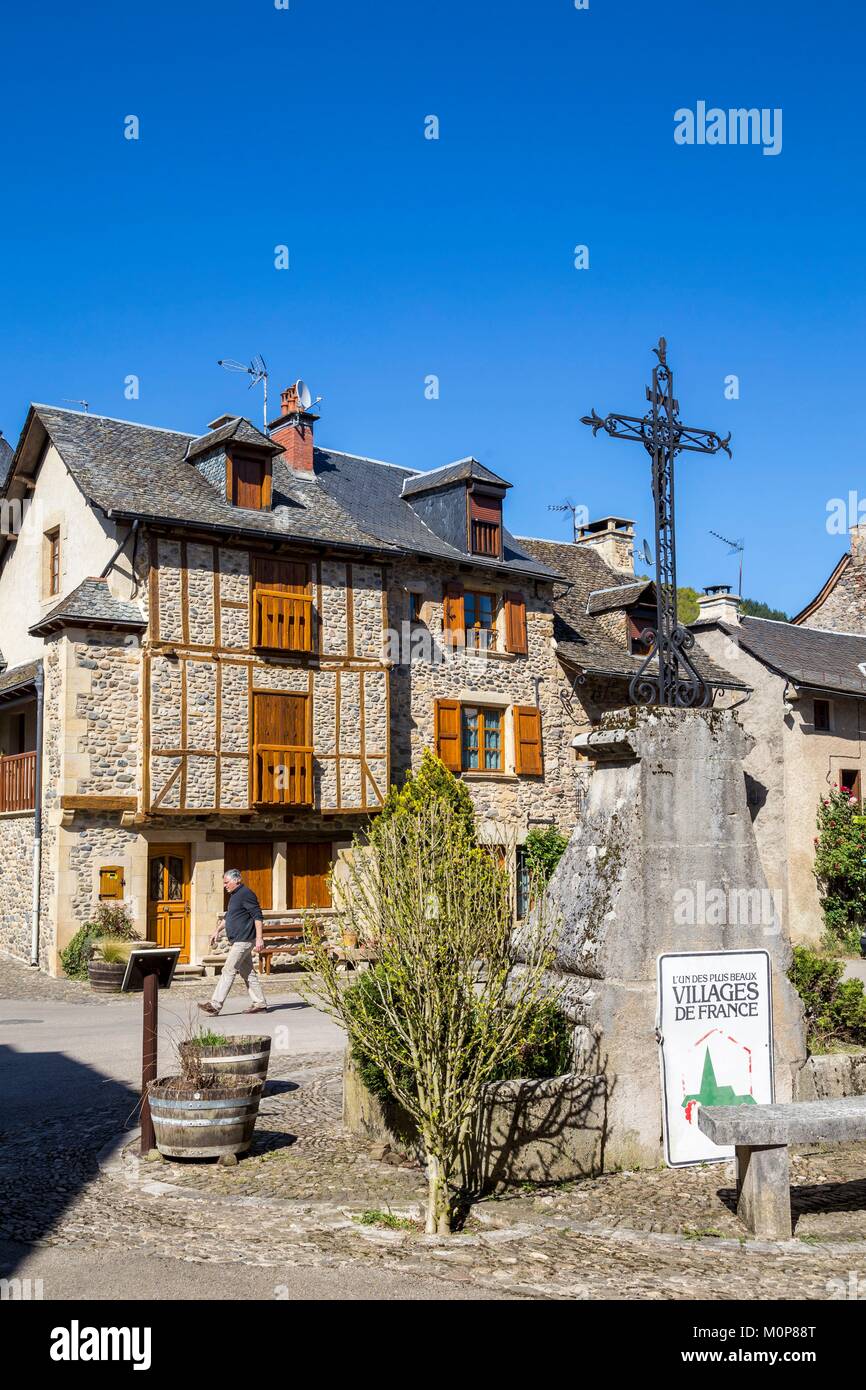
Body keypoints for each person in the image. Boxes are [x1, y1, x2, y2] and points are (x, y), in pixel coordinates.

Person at [199, 869, 268, 1016]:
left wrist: (259, 938)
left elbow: (258, 916)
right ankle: (260, 1003)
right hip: (239, 940)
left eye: (226, 882)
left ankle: (215, 1005)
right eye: (224, 883)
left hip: (244, 940)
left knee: (228, 970)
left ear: (236, 880)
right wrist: (217, 930)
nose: (224, 885)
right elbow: (229, 917)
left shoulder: (246, 894)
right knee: (248, 973)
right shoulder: (234, 896)